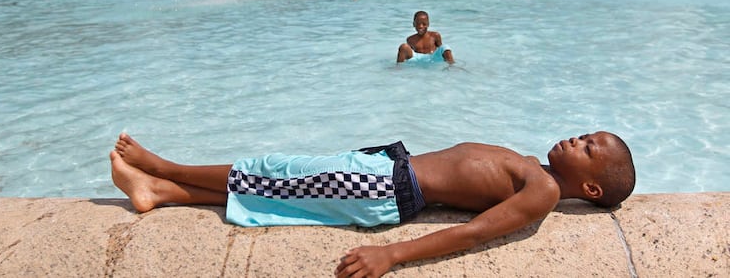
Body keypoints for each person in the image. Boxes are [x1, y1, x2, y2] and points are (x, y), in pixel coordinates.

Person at [110, 130, 635, 278]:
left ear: (590, 189)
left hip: (386, 189)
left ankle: (165, 168)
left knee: (275, 171)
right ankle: (160, 193)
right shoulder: (540, 174)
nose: (575, 139)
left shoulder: (542, 193)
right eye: (584, 134)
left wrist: (394, 255)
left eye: (588, 148)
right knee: (279, 188)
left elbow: (477, 233)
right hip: (388, 174)